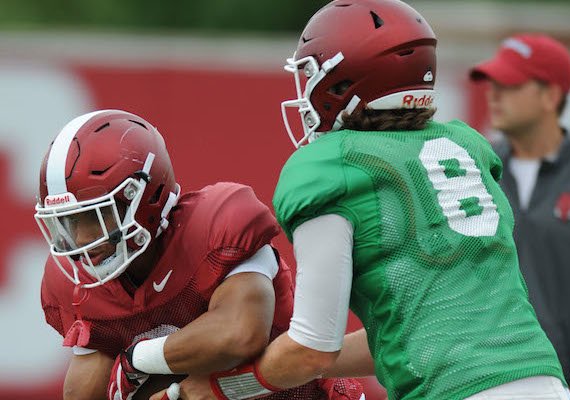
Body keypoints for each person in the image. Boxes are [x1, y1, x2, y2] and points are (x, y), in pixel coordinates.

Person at [175, 1, 570, 399]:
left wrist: (227, 387)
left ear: (343, 81)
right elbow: (398, 331)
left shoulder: (331, 166)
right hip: (545, 381)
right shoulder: (464, 144)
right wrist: (272, 361)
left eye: (311, 74)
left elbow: (312, 348)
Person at [34, 109, 364, 400]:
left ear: (144, 197)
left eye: (93, 217)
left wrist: (136, 359)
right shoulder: (76, 287)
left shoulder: (215, 228)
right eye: (68, 223)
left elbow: (239, 335)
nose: (81, 239)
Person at [470, 34, 570, 400]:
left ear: (551, 96)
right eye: (491, 83)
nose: (493, 94)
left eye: (509, 84)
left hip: (568, 387)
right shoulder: (472, 172)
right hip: (482, 384)